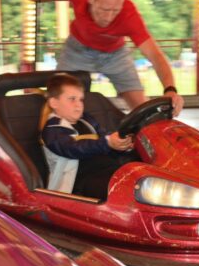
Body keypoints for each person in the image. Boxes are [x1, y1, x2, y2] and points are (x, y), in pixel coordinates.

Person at [30, 0, 184, 116]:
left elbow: (155, 56)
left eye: (115, 11)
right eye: (104, 9)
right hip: (77, 50)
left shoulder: (129, 16)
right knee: (59, 101)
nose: (109, 17)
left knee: (142, 111)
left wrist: (170, 90)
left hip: (115, 54)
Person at [41, 73, 135, 201]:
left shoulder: (87, 121)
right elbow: (73, 149)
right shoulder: (53, 129)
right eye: (72, 99)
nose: (78, 104)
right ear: (54, 103)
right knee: (126, 189)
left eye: (81, 99)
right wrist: (107, 142)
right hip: (79, 183)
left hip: (106, 171)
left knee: (139, 177)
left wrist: (121, 145)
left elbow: (104, 140)